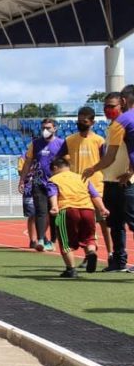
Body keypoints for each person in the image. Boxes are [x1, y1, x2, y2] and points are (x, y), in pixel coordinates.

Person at [83, 90, 134, 271]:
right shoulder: (112, 127)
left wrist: (130, 171)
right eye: (105, 107)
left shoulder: (126, 123)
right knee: (116, 225)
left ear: (122, 103)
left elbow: (111, 156)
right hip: (110, 182)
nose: (108, 110)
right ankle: (119, 262)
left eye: (112, 106)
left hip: (128, 183)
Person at [59, 106, 112, 263]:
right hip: (77, 188)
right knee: (83, 223)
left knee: (103, 222)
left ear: (92, 122)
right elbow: (58, 159)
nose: (81, 123)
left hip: (97, 186)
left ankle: (110, 254)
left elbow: (106, 161)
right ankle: (89, 254)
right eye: (79, 120)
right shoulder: (70, 140)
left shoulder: (99, 141)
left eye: (84, 121)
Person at [48, 157, 109, 278]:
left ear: (55, 168)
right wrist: (102, 208)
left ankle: (71, 269)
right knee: (89, 237)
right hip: (88, 210)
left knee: (65, 241)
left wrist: (54, 206)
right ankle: (91, 252)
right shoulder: (82, 177)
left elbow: (53, 193)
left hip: (68, 210)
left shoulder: (54, 179)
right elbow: (94, 194)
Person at [18, 118, 64, 252]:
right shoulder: (35, 144)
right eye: (43, 127)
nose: (45, 130)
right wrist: (22, 180)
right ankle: (41, 239)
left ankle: (54, 240)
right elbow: (27, 163)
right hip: (38, 183)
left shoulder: (61, 144)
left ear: (55, 128)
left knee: (55, 213)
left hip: (56, 184)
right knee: (40, 212)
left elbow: (68, 164)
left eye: (48, 127)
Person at [18, 150, 38, 248]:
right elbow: (20, 171)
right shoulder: (24, 156)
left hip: (44, 187)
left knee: (46, 214)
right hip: (29, 188)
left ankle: (43, 238)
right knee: (32, 215)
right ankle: (33, 240)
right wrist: (31, 169)